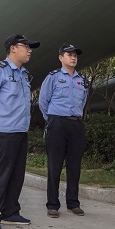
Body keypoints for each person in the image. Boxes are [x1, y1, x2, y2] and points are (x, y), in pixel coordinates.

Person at [0, 34, 40, 229]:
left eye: (31, 47)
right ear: (13, 48)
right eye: (26, 46)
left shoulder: (24, 74)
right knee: (0, 176)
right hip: (3, 131)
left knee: (16, 175)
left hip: (20, 131)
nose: (29, 50)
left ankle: (10, 211)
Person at [39, 44, 88, 218]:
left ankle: (73, 203)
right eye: (69, 55)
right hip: (57, 123)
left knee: (74, 165)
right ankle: (52, 204)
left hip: (75, 124)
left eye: (75, 55)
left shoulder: (82, 80)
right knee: (55, 165)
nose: (73, 58)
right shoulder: (53, 77)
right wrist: (52, 120)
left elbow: (82, 102)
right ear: (61, 58)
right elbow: (43, 101)